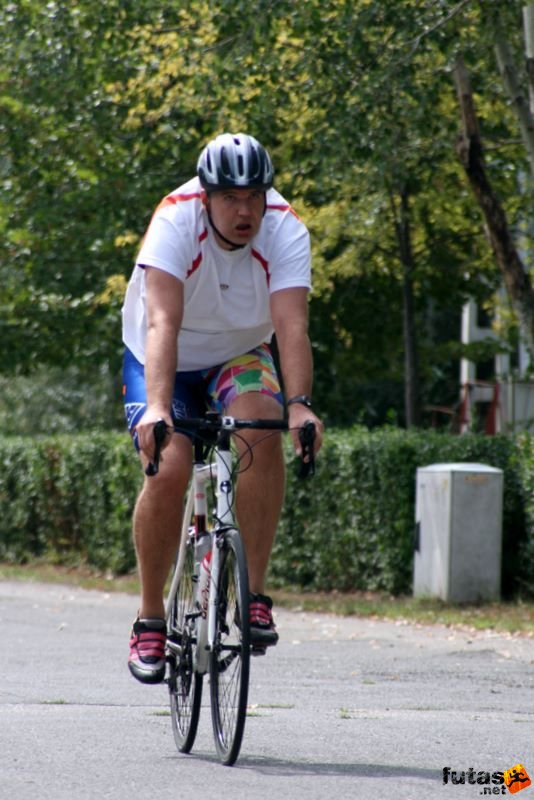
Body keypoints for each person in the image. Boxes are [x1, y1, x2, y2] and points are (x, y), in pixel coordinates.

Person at [121, 132, 323, 684]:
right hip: (165, 353)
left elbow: (292, 325)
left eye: (254, 196)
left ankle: (254, 593)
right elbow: (161, 321)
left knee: (265, 423)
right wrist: (159, 407)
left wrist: (300, 406)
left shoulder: (285, 228)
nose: (245, 210)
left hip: (238, 349)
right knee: (170, 467)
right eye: (231, 198)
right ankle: (150, 617)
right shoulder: (175, 219)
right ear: (205, 195)